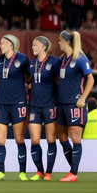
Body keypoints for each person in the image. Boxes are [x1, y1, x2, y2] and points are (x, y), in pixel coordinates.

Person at [57, 31, 94, 182]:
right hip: (62, 103)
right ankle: (73, 169)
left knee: (75, 138)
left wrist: (83, 98)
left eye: (60, 40)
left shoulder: (80, 58)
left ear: (67, 42)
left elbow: (90, 79)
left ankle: (73, 173)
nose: (58, 42)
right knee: (63, 139)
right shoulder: (63, 58)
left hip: (74, 103)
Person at [0, 34, 30, 181]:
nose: (0, 45)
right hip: (1, 103)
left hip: (18, 103)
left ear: (11, 45)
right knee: (0, 141)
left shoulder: (23, 59)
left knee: (19, 139)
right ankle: (1, 172)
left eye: (3, 43)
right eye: (0, 43)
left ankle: (22, 172)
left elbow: (29, 76)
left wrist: (25, 85)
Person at [27, 36, 60, 181]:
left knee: (50, 139)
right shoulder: (31, 63)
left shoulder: (54, 62)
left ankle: (48, 172)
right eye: (33, 45)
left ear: (44, 47)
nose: (33, 47)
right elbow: (28, 80)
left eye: (36, 45)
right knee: (34, 140)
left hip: (50, 105)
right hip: (34, 106)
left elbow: (60, 81)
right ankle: (39, 171)